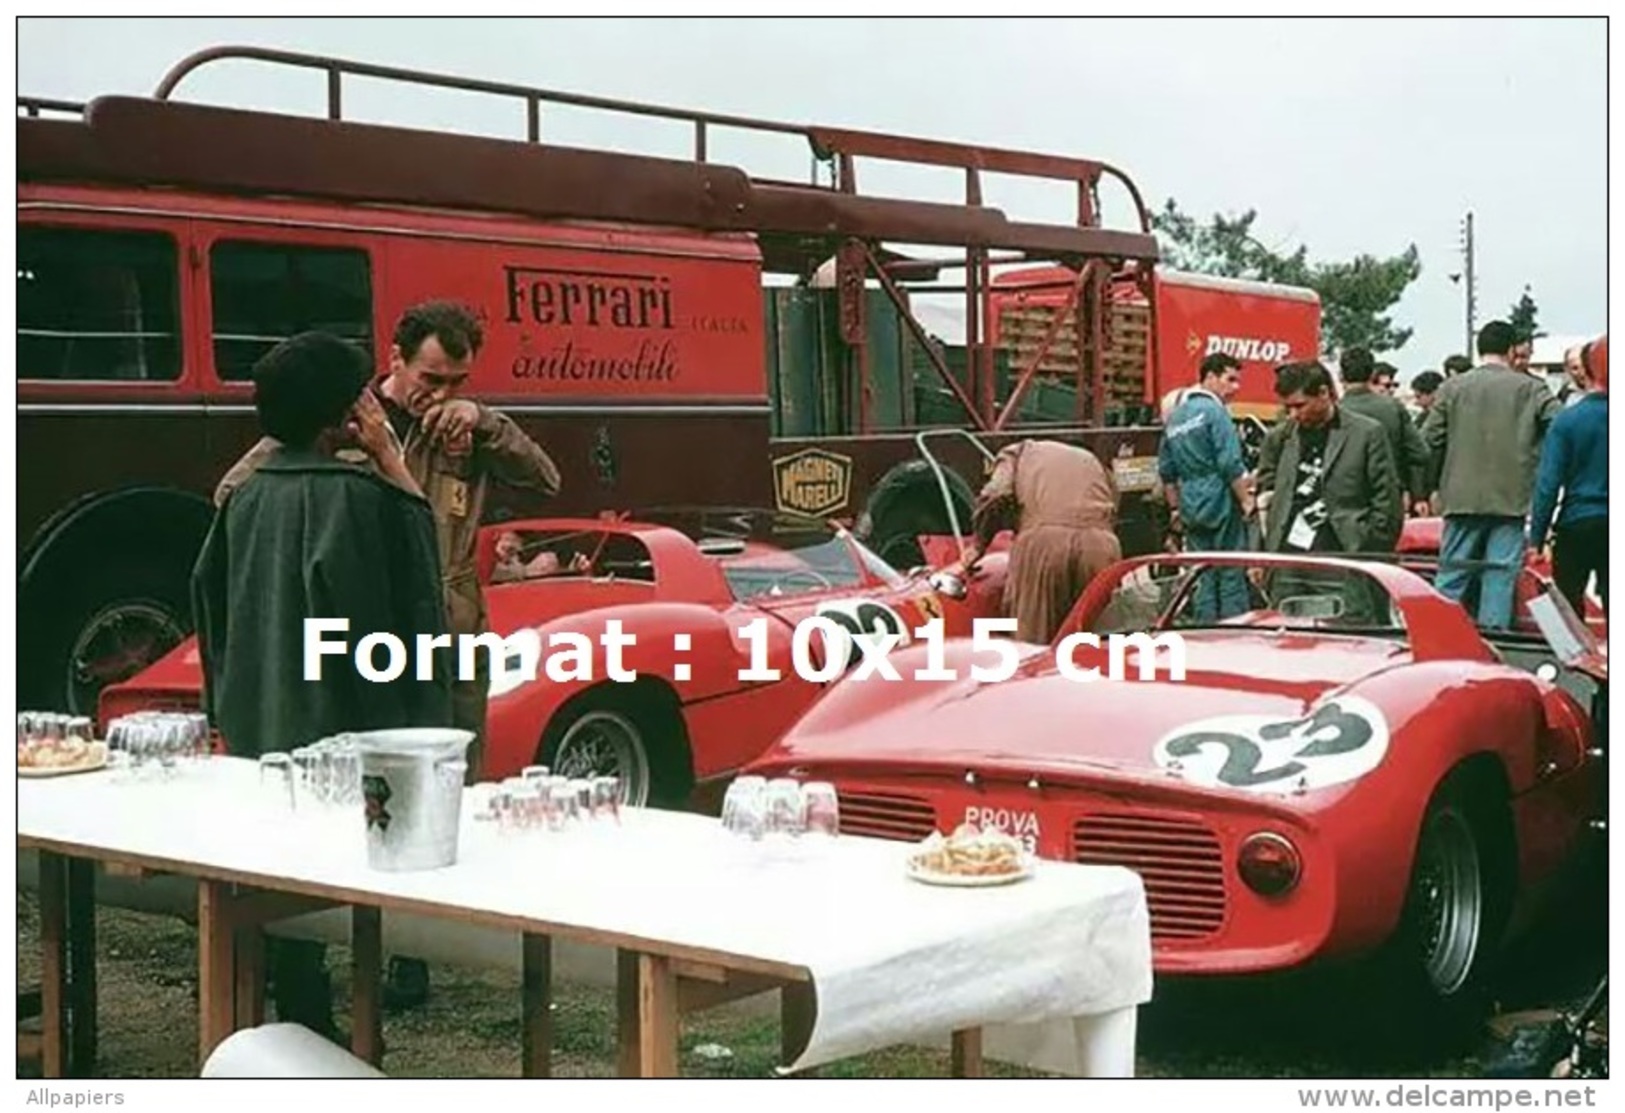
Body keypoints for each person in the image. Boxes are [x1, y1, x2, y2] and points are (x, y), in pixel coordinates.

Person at [191, 332, 454, 1039]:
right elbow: (408, 611)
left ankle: (292, 1009)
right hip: (336, 727)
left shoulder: (245, 496)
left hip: (258, 712)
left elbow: (209, 603)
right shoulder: (356, 498)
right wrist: (392, 460)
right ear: (344, 415)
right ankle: (336, 1028)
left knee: (275, 878)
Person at [217, 301, 561, 782]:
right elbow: (235, 488)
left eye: (457, 382)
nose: (441, 393)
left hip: (452, 621)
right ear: (397, 359)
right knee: (383, 757)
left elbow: (545, 479)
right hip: (375, 618)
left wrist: (483, 420)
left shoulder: (470, 428)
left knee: (454, 763)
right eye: (431, 378)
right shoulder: (340, 414)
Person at [1421, 320, 1562, 629]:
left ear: (1479, 349)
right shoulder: (1531, 388)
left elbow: (1429, 439)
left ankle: (1441, 635)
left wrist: (1429, 486)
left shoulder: (1451, 388)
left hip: (1460, 497)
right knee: (1499, 576)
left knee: (1452, 575)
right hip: (1511, 498)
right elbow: (1560, 425)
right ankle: (1494, 640)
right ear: (1512, 350)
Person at [949, 439, 1121, 643]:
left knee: (1033, 639)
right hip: (1101, 545)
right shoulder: (1089, 459)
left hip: (1045, 544)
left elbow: (995, 494)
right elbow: (1114, 500)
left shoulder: (1014, 455)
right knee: (1097, 639)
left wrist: (979, 545)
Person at [1255, 361, 1400, 554]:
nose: (1293, 414)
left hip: (1343, 554)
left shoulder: (1367, 433)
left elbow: (1387, 502)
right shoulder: (1279, 438)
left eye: (1300, 405)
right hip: (1288, 556)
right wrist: (1261, 552)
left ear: (1323, 393)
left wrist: (1369, 546)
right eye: (1287, 408)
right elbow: (1265, 498)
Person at [1157, 353, 1255, 620]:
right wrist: (1246, 500)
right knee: (1231, 570)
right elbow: (1229, 462)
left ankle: (1203, 632)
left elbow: (1166, 471)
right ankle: (1235, 633)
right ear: (1210, 377)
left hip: (1190, 501)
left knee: (1201, 572)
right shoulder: (1216, 412)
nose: (1236, 388)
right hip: (1220, 497)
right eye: (1230, 379)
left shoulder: (1175, 418)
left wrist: (1175, 508)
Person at [1530, 337, 1608, 615]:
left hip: (1578, 521)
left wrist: (1536, 539)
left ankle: (1575, 657)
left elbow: (1548, 485)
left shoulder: (1568, 420)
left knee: (1566, 606)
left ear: (1586, 371)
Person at [1337, 347, 1431, 519]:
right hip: (1388, 498)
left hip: (1343, 501)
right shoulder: (1393, 408)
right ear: (1371, 374)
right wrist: (1416, 494)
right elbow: (1420, 453)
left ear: (1341, 376)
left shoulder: (1334, 412)